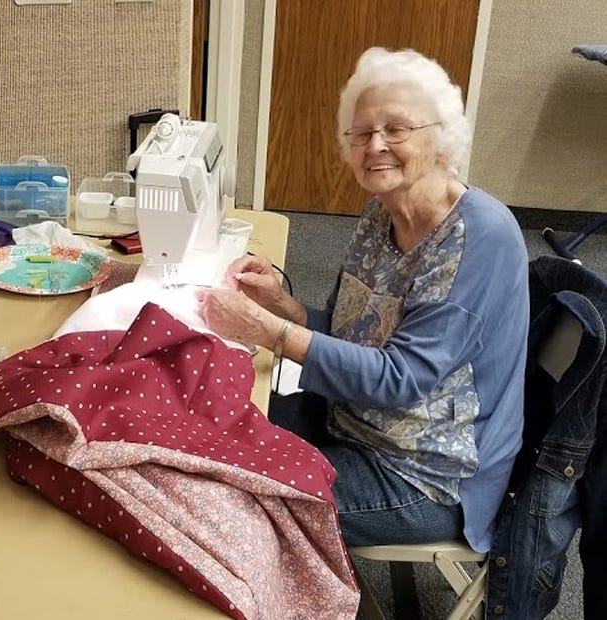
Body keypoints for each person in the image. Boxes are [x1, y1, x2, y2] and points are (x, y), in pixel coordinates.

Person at [195, 47, 529, 553]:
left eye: (396, 129)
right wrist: (285, 308)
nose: (375, 146)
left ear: (441, 136)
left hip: (425, 474)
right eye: (361, 133)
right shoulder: (381, 215)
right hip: (351, 421)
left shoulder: (479, 238)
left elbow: (400, 378)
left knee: (228, 504)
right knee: (202, 429)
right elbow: (359, 335)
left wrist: (270, 333)